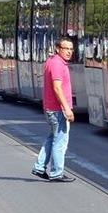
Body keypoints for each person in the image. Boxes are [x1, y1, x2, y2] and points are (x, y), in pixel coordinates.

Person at [32, 37, 76, 182]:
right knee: (60, 141)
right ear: (58, 49)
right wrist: (67, 109)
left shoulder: (53, 61)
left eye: (71, 49)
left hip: (52, 109)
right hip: (57, 110)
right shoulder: (57, 64)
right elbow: (57, 88)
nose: (69, 52)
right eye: (66, 49)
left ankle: (39, 167)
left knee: (53, 138)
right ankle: (57, 172)